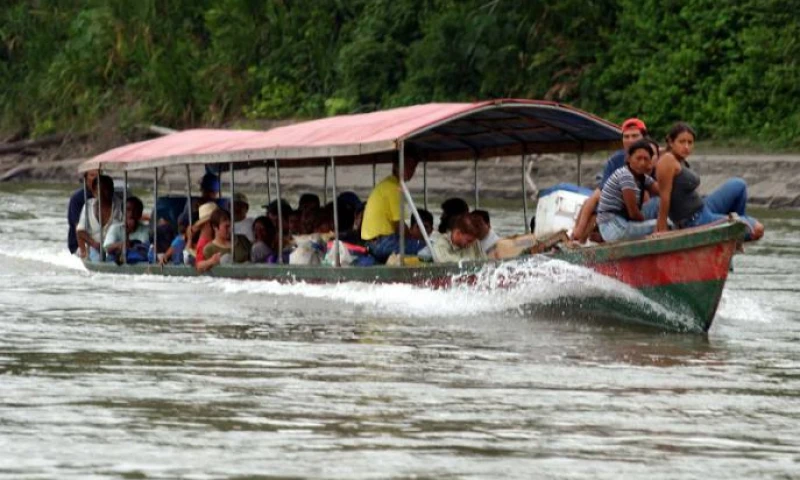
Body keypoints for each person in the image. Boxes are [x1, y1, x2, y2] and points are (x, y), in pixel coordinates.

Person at [655, 123, 764, 240]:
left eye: (690, 142)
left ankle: (737, 227)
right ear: (671, 142)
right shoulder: (667, 160)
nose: (686, 146)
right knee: (757, 229)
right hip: (695, 221)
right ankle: (739, 228)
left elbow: (657, 149)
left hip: (703, 208)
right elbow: (664, 197)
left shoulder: (678, 159)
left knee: (738, 185)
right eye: (682, 142)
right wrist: (661, 229)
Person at [572, 118, 649, 242]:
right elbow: (600, 193)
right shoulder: (616, 160)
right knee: (592, 204)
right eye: (626, 137)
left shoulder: (653, 155)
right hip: (619, 205)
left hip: (643, 204)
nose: (630, 140)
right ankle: (577, 240)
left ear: (644, 138)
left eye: (635, 136)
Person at [597, 140, 661, 242]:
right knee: (664, 224)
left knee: (658, 202)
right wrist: (653, 223)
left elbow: (662, 191)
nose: (642, 163)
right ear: (628, 158)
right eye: (638, 158)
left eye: (646, 159)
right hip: (613, 227)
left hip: (623, 222)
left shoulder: (642, 176)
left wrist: (657, 168)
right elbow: (634, 214)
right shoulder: (626, 175)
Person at [360, 154, 419, 262]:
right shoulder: (394, 188)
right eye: (407, 166)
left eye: (413, 167)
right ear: (396, 166)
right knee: (425, 247)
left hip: (372, 242)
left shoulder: (388, 183)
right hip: (383, 242)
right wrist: (414, 238)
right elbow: (399, 226)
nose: (410, 171)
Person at [76, 175, 123, 261]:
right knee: (98, 259)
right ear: (94, 191)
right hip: (94, 246)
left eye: (110, 188)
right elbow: (80, 231)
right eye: (103, 189)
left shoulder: (120, 206)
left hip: (115, 247)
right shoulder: (88, 206)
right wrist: (94, 244)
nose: (107, 192)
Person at [103, 196, 150, 262]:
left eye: (135, 210)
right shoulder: (115, 228)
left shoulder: (145, 230)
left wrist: (122, 244)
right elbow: (107, 248)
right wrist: (122, 243)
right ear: (123, 213)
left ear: (140, 214)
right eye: (128, 210)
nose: (131, 214)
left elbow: (143, 250)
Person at [67, 169, 98, 254]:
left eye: (99, 175)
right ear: (85, 178)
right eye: (92, 175)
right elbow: (78, 228)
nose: (96, 178)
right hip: (79, 243)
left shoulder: (107, 195)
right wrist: (83, 249)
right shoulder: (77, 198)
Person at [188, 202, 218, 269]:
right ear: (207, 224)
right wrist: (211, 261)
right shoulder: (203, 244)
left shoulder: (211, 240)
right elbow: (199, 266)